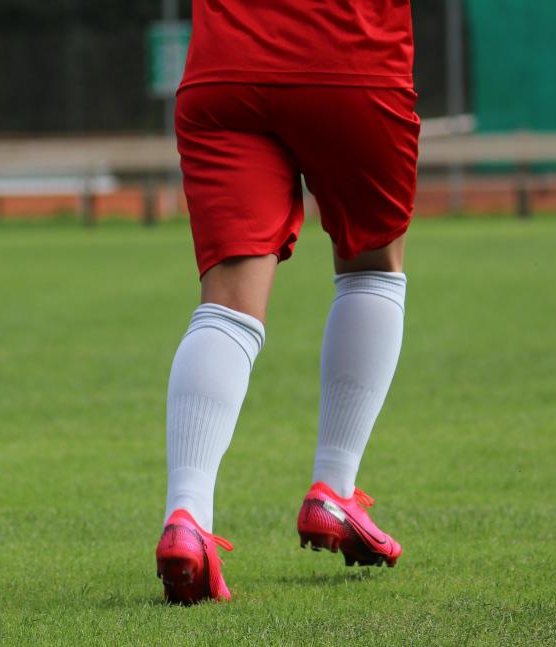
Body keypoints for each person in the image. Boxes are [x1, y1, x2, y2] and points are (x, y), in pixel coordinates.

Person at [155, 1, 419, 604]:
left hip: (227, 65)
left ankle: (187, 517)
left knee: (227, 303)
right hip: (349, 54)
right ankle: (335, 488)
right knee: (373, 267)